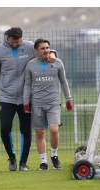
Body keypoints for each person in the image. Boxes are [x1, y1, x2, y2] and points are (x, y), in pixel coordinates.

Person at [0, 27, 57, 171]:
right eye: (13, 42)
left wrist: (54, 53)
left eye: (18, 42)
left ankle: (23, 162)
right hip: (6, 96)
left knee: (26, 130)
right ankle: (12, 157)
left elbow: (45, 50)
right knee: (5, 127)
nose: (16, 44)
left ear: (21, 38)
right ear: (8, 38)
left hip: (26, 97)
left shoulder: (30, 47)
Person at [23, 38, 73, 170]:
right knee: (40, 133)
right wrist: (25, 102)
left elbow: (63, 82)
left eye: (47, 48)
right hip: (37, 104)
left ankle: (54, 156)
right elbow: (27, 84)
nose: (46, 50)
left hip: (53, 103)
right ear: (36, 51)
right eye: (42, 48)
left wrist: (69, 99)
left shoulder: (57, 63)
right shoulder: (30, 65)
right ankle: (43, 162)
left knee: (54, 130)